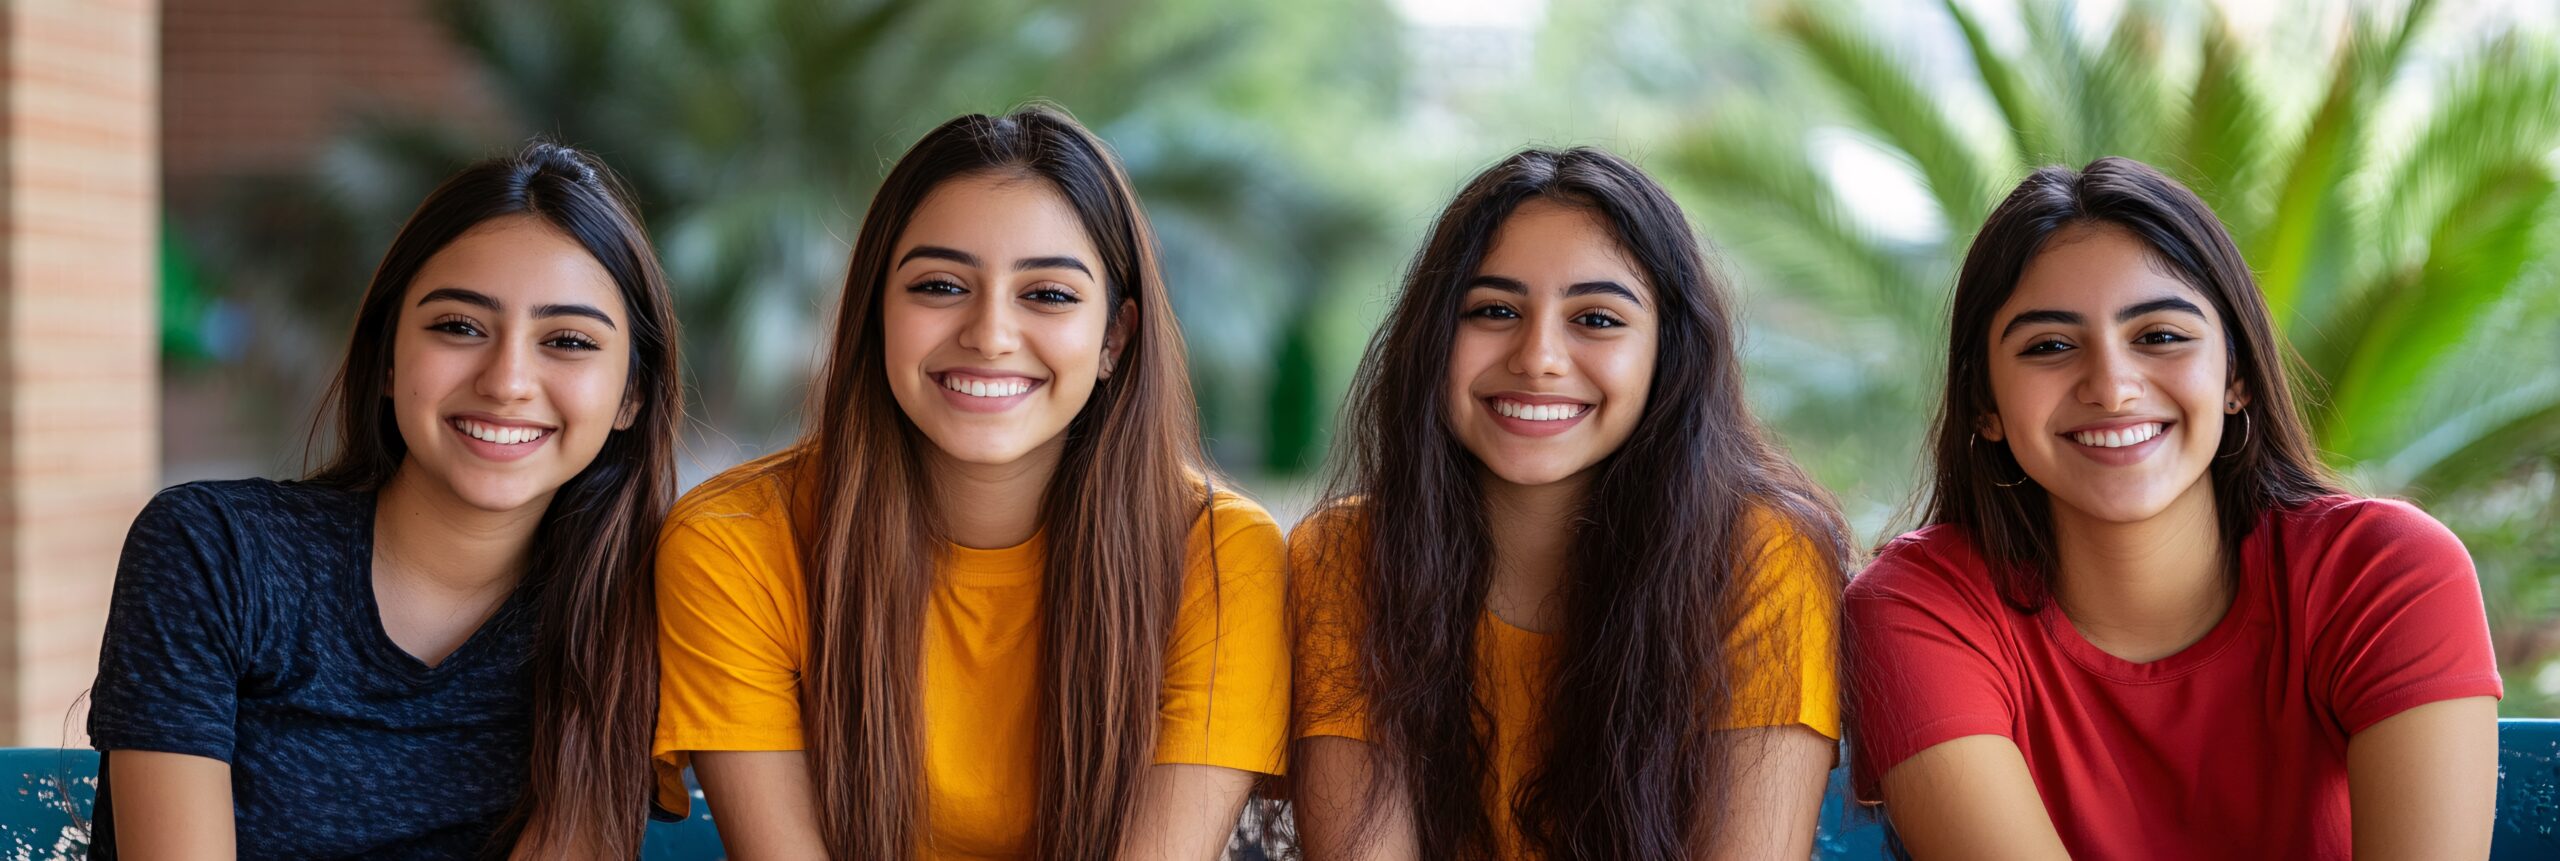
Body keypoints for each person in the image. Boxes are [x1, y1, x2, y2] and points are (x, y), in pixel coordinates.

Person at [652, 106, 1288, 860]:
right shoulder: (735, 542)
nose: (989, 334)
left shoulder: (1219, 556)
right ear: (876, 313)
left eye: (1048, 294)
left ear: (1115, 337)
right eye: (940, 285)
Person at [1846, 157, 2501, 859]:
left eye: (2159, 335)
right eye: (2051, 346)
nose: (2112, 387)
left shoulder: (2387, 574)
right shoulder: (1920, 609)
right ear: (1986, 406)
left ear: (2237, 375)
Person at [89, 142, 680, 859]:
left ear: (632, 395)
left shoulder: (631, 614)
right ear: (390, 361)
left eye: (567, 340)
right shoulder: (215, 551)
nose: (507, 380)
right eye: (459, 326)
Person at [1290, 147, 1853, 860]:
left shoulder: (1761, 555)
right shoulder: (1347, 556)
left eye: (1597, 319)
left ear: (1667, 354)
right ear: (1432, 337)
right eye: (1494, 310)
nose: (1539, 357)